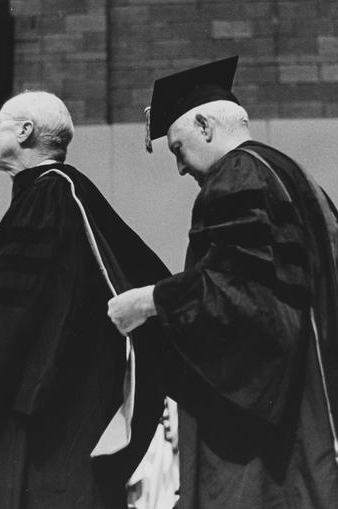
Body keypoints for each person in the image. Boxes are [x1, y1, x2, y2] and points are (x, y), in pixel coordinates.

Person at [108, 56, 338, 508]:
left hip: (264, 437)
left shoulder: (238, 175)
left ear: (205, 126)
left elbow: (241, 292)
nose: (180, 168)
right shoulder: (298, 177)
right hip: (310, 406)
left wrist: (152, 299)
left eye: (177, 148)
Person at [0, 91, 170, 509]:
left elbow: (3, 314)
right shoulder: (72, 195)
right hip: (67, 422)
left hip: (33, 422)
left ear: (25, 131)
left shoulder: (48, 198)